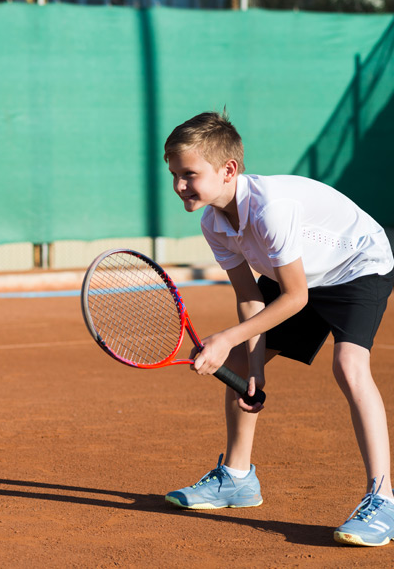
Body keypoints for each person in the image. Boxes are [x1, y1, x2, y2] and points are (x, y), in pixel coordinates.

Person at [162, 111, 394, 546]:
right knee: (236, 362)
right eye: (174, 174)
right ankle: (236, 478)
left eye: (189, 175)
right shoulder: (214, 222)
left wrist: (228, 335)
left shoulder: (270, 209)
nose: (179, 186)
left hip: (357, 265)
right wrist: (253, 365)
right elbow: (251, 299)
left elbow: (295, 297)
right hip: (300, 272)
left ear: (228, 170)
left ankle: (383, 500)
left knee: (349, 366)